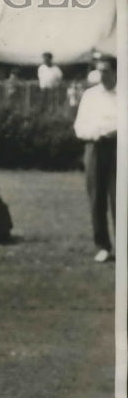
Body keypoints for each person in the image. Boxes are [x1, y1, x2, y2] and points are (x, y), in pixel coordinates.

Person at [73, 56, 117, 262]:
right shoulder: (90, 96)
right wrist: (96, 134)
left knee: (121, 200)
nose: (102, 75)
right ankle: (103, 247)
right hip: (96, 148)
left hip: (120, 149)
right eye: (100, 71)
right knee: (97, 199)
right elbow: (80, 127)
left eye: (106, 71)